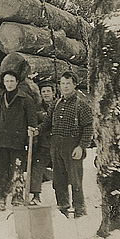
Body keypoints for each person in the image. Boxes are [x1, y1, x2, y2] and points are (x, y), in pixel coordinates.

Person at [39, 72, 93, 218]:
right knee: (59, 179)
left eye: (68, 83)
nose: (65, 86)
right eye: (63, 83)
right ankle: (63, 207)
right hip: (56, 145)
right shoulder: (56, 104)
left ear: (74, 85)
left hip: (72, 145)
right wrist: (36, 130)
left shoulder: (81, 105)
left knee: (75, 180)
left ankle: (79, 209)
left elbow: (88, 127)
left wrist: (81, 146)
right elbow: (47, 123)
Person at [0, 71, 38, 211]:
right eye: (7, 81)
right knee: (2, 171)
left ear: (16, 82)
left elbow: (32, 120)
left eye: (11, 81)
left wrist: (31, 135)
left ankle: (17, 199)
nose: (9, 84)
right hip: (1, 140)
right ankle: (0, 200)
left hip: (17, 141)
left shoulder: (25, 99)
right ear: (3, 82)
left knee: (17, 171)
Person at [29, 82, 56, 204]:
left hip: (58, 145)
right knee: (37, 168)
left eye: (48, 91)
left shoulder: (59, 105)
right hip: (43, 144)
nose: (46, 94)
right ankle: (35, 196)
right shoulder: (37, 107)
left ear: (53, 93)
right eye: (43, 91)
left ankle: (63, 199)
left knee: (61, 172)